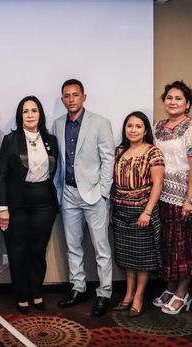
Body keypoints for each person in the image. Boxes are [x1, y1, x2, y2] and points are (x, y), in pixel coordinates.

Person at [52, 79, 115, 317]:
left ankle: (105, 292)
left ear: (84, 97)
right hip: (68, 193)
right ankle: (78, 288)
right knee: (73, 246)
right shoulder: (58, 124)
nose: (71, 99)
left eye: (75, 95)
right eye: (67, 96)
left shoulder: (100, 123)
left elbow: (108, 159)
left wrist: (103, 193)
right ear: (62, 100)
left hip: (93, 195)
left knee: (101, 248)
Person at [152, 80, 192, 315]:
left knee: (186, 247)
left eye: (178, 98)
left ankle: (182, 293)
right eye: (169, 97)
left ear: (187, 103)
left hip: (188, 198)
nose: (173, 102)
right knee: (170, 246)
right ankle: (170, 286)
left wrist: (189, 198)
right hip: (164, 196)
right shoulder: (158, 127)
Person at [0, 96, 59, 314]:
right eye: (25, 111)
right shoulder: (11, 140)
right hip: (16, 202)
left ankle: (36, 292)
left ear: (40, 114)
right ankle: (21, 295)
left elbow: (54, 171)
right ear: (19, 115)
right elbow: (1, 175)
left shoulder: (51, 139)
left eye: (34, 110)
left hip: (44, 202)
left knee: (37, 251)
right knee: (18, 250)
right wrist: (2, 207)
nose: (30, 115)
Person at [111, 111, 164, 317]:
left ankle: (139, 296)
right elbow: (113, 183)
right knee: (127, 257)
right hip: (121, 211)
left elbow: (158, 184)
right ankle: (128, 294)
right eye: (129, 126)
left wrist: (147, 212)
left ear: (145, 130)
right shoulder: (119, 151)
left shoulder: (153, 152)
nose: (133, 130)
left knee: (142, 258)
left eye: (138, 126)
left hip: (142, 211)